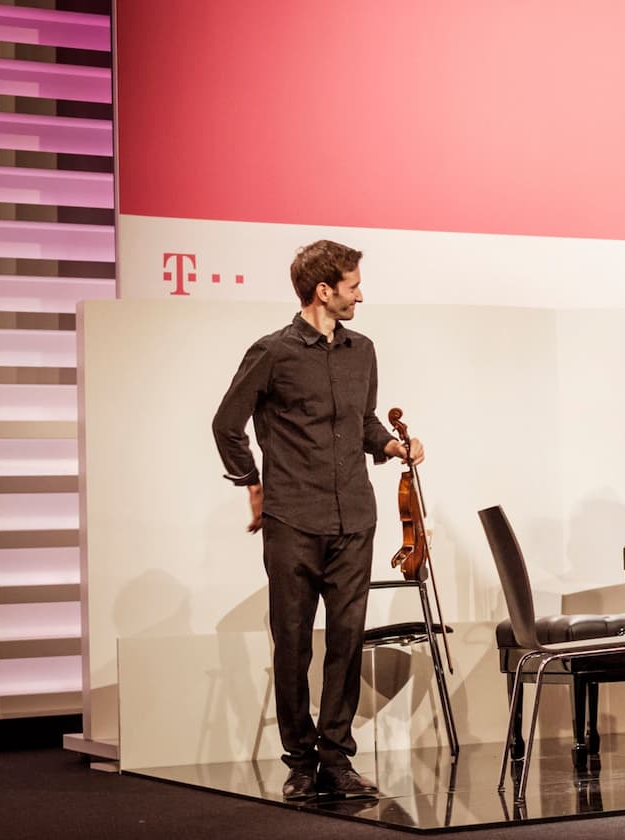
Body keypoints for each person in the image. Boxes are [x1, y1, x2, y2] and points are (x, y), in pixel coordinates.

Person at [212, 240, 423, 799]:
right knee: (294, 641)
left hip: (354, 516)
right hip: (294, 520)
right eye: (352, 285)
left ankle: (336, 758)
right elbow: (226, 424)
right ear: (324, 291)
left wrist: (391, 446)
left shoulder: (363, 350)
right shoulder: (272, 352)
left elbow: (364, 423)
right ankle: (300, 763)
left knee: (347, 639)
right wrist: (252, 484)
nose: (360, 294)